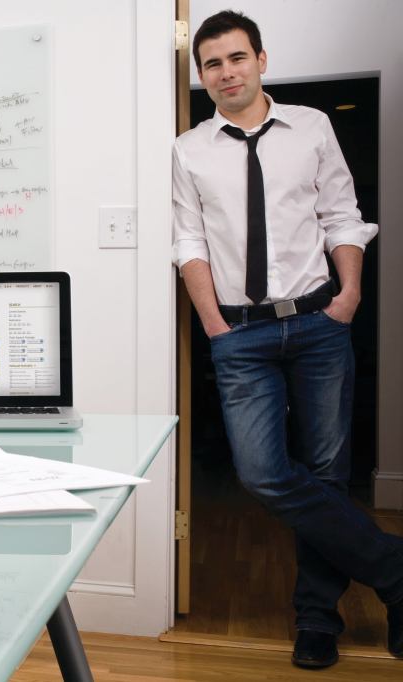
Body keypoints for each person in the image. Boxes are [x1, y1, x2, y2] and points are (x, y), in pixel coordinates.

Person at [172, 10, 403, 669]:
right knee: (262, 473)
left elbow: (342, 216)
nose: (226, 72)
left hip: (318, 323)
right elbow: (189, 241)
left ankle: (317, 621)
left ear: (261, 60)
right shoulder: (188, 149)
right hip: (238, 335)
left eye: (237, 57)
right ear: (202, 75)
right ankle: (394, 571)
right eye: (212, 64)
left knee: (326, 474)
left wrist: (348, 296)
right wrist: (213, 324)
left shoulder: (312, 127)